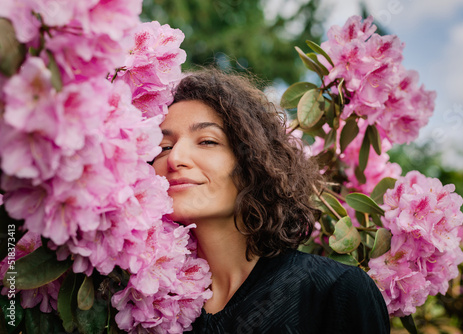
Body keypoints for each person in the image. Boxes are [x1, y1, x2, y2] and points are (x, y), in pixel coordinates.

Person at [152, 68, 390, 334]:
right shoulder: (148, 303)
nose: (174, 159)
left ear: (253, 160)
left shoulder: (334, 290)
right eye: (163, 147)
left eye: (207, 141)